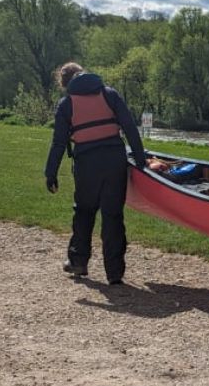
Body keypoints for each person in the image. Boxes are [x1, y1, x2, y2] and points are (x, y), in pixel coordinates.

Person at [44, 62, 146, 285]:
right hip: (114, 161)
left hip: (86, 164)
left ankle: (78, 262)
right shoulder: (109, 94)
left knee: (84, 212)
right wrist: (140, 159)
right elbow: (129, 127)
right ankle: (115, 272)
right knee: (113, 216)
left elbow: (58, 143)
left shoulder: (67, 104)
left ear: (65, 83)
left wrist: (50, 173)